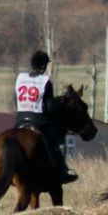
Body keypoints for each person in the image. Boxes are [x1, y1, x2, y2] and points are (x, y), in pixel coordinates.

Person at [15, 50, 78, 184]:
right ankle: (63, 171)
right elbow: (49, 107)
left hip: (19, 119)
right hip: (38, 122)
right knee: (60, 140)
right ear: (43, 66)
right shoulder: (45, 81)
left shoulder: (20, 78)